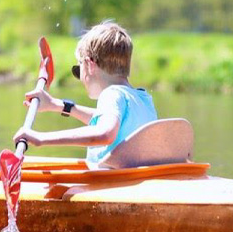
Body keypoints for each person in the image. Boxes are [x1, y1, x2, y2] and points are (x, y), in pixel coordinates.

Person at [12, 21, 157, 168]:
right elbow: (108, 119)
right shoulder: (143, 98)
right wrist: (59, 105)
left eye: (78, 68)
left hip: (113, 184)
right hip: (136, 180)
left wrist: (41, 138)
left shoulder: (111, 94)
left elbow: (105, 133)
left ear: (89, 65)